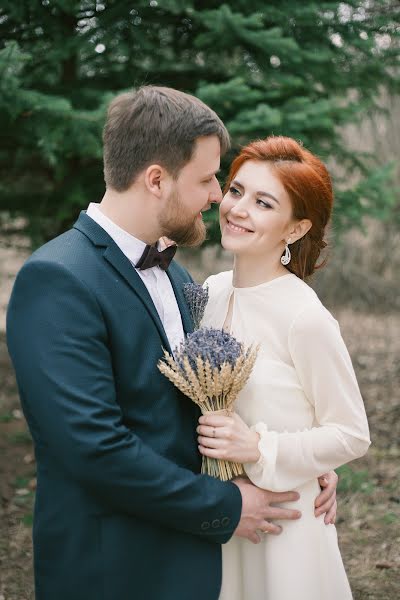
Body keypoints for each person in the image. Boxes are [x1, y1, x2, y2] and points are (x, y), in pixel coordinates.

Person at [7, 87, 338, 600]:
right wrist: (226, 506)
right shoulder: (57, 279)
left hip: (194, 564)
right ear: (156, 179)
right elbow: (94, 448)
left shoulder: (179, 277)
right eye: (208, 180)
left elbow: (210, 397)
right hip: (114, 569)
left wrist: (300, 461)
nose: (216, 197)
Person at [197, 135, 371, 599]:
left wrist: (260, 447)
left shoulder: (304, 317)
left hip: (283, 527)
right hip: (220, 522)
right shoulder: (209, 294)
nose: (237, 209)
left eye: (263, 202)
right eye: (235, 191)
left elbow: (351, 433)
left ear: (294, 230)